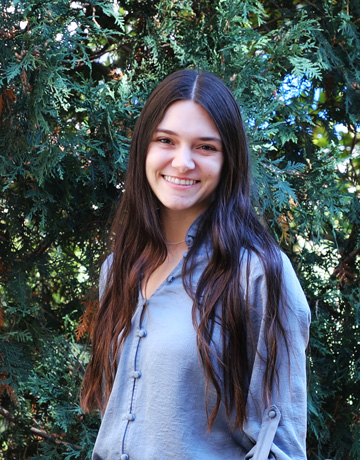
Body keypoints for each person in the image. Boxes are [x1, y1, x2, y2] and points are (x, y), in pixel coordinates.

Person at [81, 69, 311, 460]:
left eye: (205, 147)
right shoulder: (117, 270)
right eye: (166, 140)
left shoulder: (257, 274)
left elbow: (282, 445)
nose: (182, 162)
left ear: (228, 161)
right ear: (144, 148)